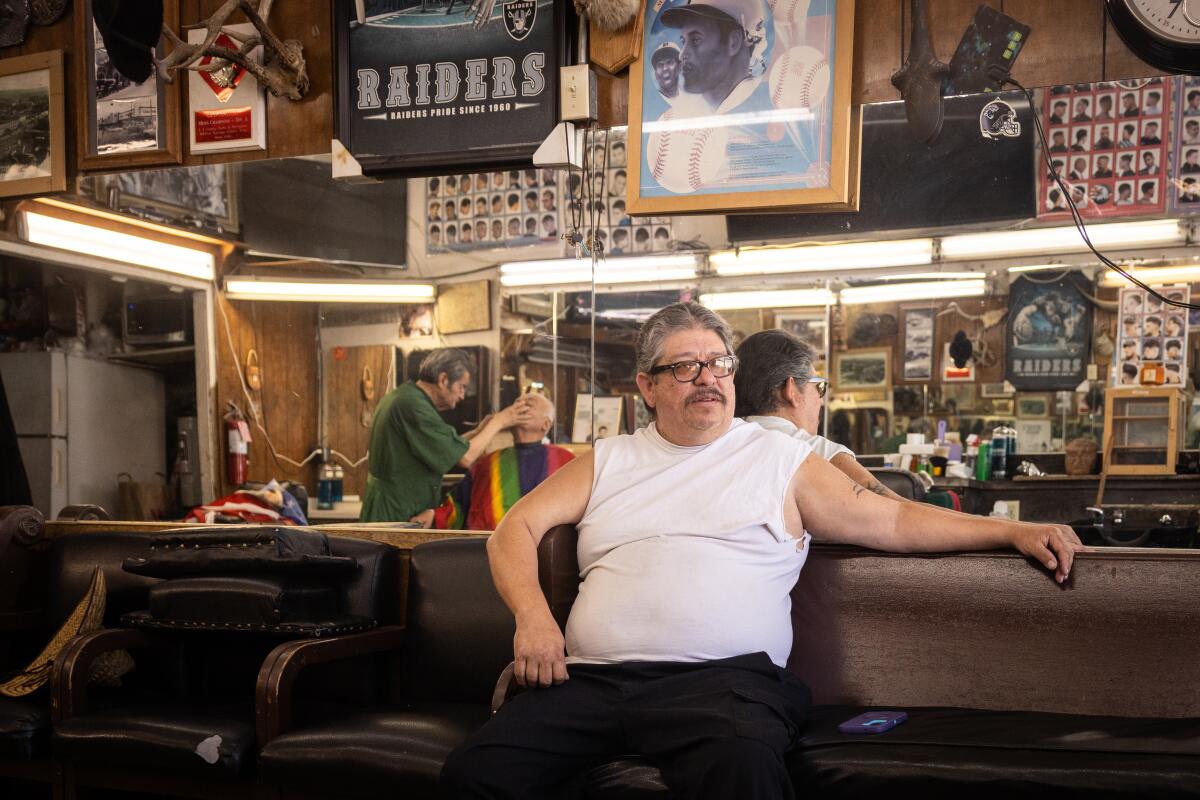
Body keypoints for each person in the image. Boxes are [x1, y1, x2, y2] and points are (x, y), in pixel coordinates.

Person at [441, 303, 1080, 800]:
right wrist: (533, 618)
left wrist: (1010, 531)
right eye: (684, 367)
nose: (707, 378)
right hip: (590, 681)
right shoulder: (608, 459)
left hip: (723, 684)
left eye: (718, 363)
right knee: (475, 773)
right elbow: (513, 530)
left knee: (742, 768)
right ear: (647, 386)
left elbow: (892, 519)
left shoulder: (781, 458)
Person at [360, 349, 535, 524]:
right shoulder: (412, 406)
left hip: (397, 505)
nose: (462, 395)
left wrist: (480, 430)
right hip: (394, 510)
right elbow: (465, 458)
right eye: (461, 387)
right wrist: (500, 421)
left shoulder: (407, 397)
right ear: (443, 380)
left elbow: (448, 447)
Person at [425, 393, 574, 531]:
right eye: (517, 403)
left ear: (546, 424)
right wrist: (433, 515)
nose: (519, 406)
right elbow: (459, 503)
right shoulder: (487, 463)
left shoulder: (565, 460)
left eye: (528, 404)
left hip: (545, 546)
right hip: (484, 545)